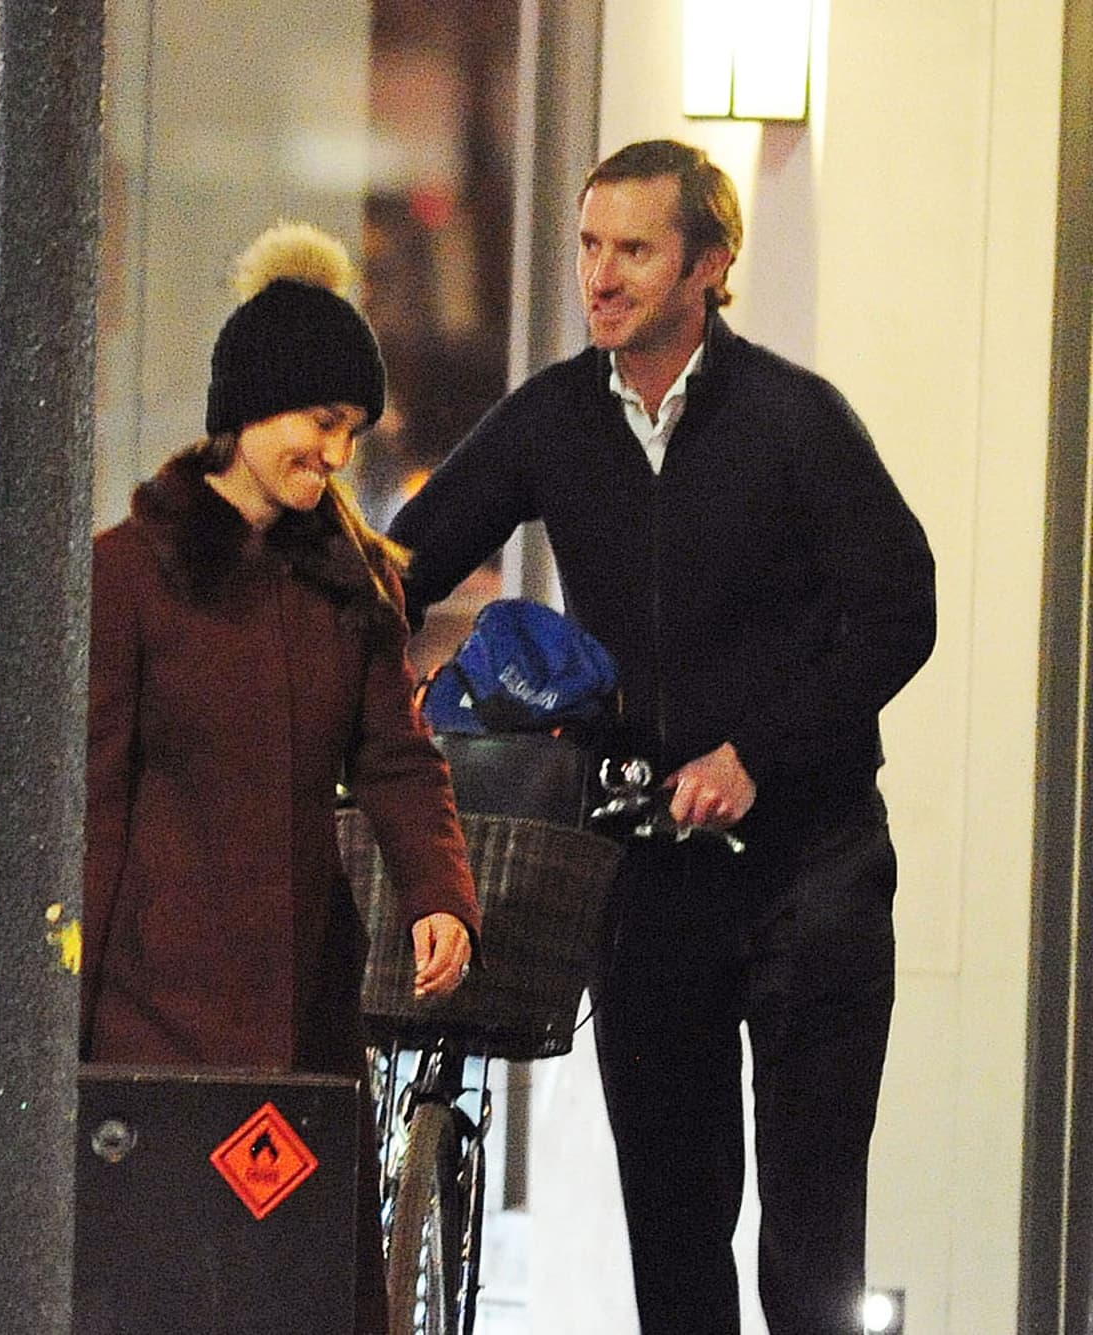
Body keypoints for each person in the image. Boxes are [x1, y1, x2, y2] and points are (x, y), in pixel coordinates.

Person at [388, 139, 937, 1334]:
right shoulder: (553, 419)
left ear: (709, 266)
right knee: (675, 1240)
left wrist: (756, 754)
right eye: (589, 244)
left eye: (632, 249)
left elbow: (901, 611)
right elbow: (401, 563)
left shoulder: (795, 422)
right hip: (645, 874)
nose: (599, 275)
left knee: (808, 1246)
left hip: (815, 867)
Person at [81, 221, 481, 1335]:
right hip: (152, 1024)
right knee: (166, 1286)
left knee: (296, 1287)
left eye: (351, 432)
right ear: (251, 407)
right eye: (322, 423)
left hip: (303, 1010)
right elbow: (92, 803)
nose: (337, 456)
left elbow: (397, 758)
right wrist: (60, 1012)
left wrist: (439, 895)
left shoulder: (351, 585)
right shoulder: (129, 576)